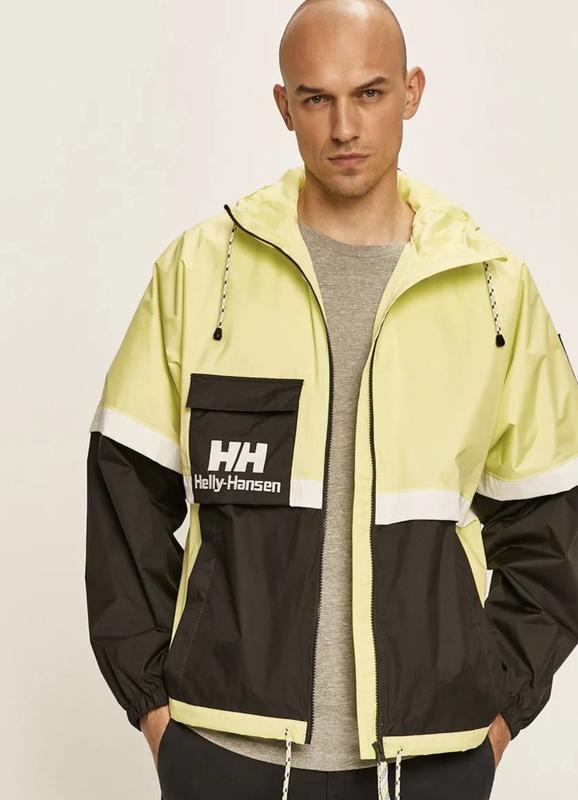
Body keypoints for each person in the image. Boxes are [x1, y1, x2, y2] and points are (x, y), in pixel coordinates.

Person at [84, 1, 578, 798]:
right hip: (225, 753)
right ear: (284, 106)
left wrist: (496, 718)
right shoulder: (202, 272)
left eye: (370, 93)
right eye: (317, 98)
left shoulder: (494, 291)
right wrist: (158, 714)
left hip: (432, 762)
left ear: (412, 92)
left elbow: (552, 523)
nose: (344, 126)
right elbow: (124, 500)